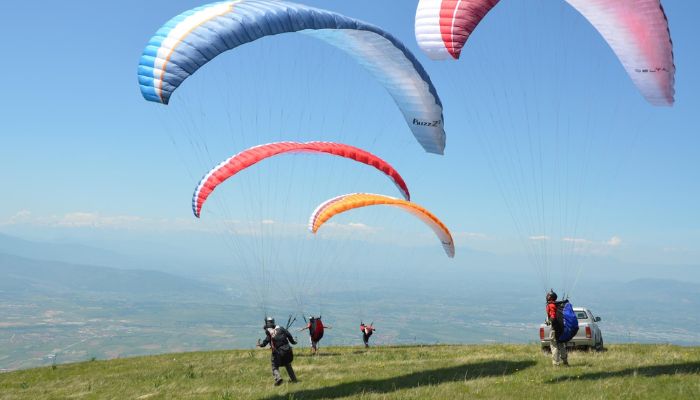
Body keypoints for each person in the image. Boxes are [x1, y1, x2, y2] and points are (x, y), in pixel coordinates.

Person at [258, 317, 298, 385]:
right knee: (287, 364)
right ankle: (294, 380)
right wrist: (294, 342)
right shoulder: (281, 328)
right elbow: (289, 336)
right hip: (287, 350)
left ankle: (278, 378)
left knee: (274, 366)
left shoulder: (269, 332)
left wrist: (260, 345)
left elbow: (266, 342)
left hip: (278, 352)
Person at [546, 290, 568, 366]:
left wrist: (551, 322)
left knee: (554, 345)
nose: (547, 296)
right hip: (561, 328)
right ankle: (565, 361)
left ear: (550, 297)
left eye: (548, 295)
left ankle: (556, 363)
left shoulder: (551, 305)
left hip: (555, 328)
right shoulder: (558, 304)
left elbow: (553, 315)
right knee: (561, 344)